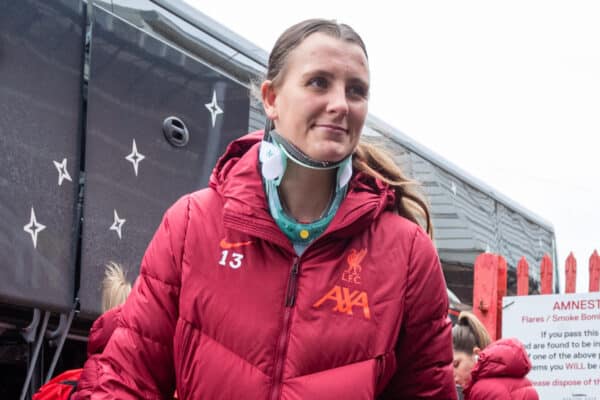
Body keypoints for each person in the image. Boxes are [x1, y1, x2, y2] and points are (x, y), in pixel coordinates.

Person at [87, 19, 456, 399]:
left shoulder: (408, 254)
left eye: (356, 91)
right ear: (271, 99)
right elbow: (125, 379)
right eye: (319, 82)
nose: (340, 104)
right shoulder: (192, 223)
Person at [452, 311, 538, 400]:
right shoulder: (521, 380)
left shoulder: (481, 390)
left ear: (477, 353)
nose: (452, 374)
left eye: (456, 364)